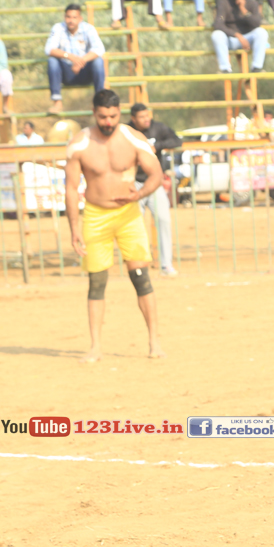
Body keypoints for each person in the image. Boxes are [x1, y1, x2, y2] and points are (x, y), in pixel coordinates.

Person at [65, 89, 167, 362]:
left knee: (140, 277)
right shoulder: (79, 144)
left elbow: (156, 174)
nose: (108, 122)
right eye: (102, 117)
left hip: (128, 215)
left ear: (119, 112)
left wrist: (139, 194)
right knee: (96, 282)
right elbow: (71, 189)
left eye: (112, 116)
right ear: (94, 113)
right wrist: (74, 228)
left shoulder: (134, 139)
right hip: (95, 216)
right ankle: (96, 347)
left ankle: (154, 342)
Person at [127, 103, 181, 277]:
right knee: (136, 225)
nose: (146, 119)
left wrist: (157, 146)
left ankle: (166, 265)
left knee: (164, 221)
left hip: (154, 182)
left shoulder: (158, 128)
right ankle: (139, 265)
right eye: (141, 117)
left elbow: (177, 140)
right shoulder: (126, 131)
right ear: (133, 118)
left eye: (147, 115)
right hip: (134, 183)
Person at [45, 4, 107, 114]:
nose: (71, 20)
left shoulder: (89, 29)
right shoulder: (57, 28)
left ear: (80, 18)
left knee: (98, 61)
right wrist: (71, 57)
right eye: (68, 17)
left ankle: (100, 102)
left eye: (74, 17)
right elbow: (49, 49)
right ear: (64, 17)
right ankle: (57, 103)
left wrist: (81, 61)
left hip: (85, 71)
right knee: (52, 61)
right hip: (66, 72)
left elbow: (99, 49)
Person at [212, 0, 269, 73]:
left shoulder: (253, 3)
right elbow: (218, 24)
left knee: (262, 32)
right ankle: (225, 69)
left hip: (248, 40)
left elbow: (257, 23)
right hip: (230, 39)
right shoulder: (223, 3)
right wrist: (238, 36)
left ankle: (257, 67)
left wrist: (244, 10)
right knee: (216, 35)